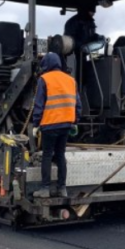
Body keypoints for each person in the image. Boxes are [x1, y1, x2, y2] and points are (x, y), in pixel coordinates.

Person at [32, 52, 82, 198]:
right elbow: (78, 104)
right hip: (66, 124)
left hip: (50, 124)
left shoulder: (44, 79)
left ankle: (45, 188)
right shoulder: (71, 80)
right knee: (60, 155)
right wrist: (75, 121)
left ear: (46, 65)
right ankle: (62, 188)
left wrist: (36, 124)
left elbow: (39, 104)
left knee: (47, 154)